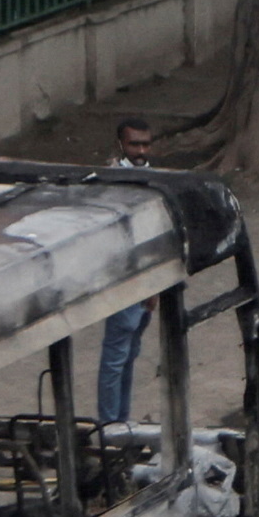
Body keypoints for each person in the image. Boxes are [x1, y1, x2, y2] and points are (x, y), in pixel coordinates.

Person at [90, 119, 157, 424]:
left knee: (129, 356)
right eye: (135, 144)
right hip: (122, 280)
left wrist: (155, 284)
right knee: (116, 359)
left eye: (145, 144)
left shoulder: (150, 176)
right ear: (121, 145)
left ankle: (122, 421)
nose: (141, 150)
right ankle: (109, 425)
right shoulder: (112, 181)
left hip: (145, 280)